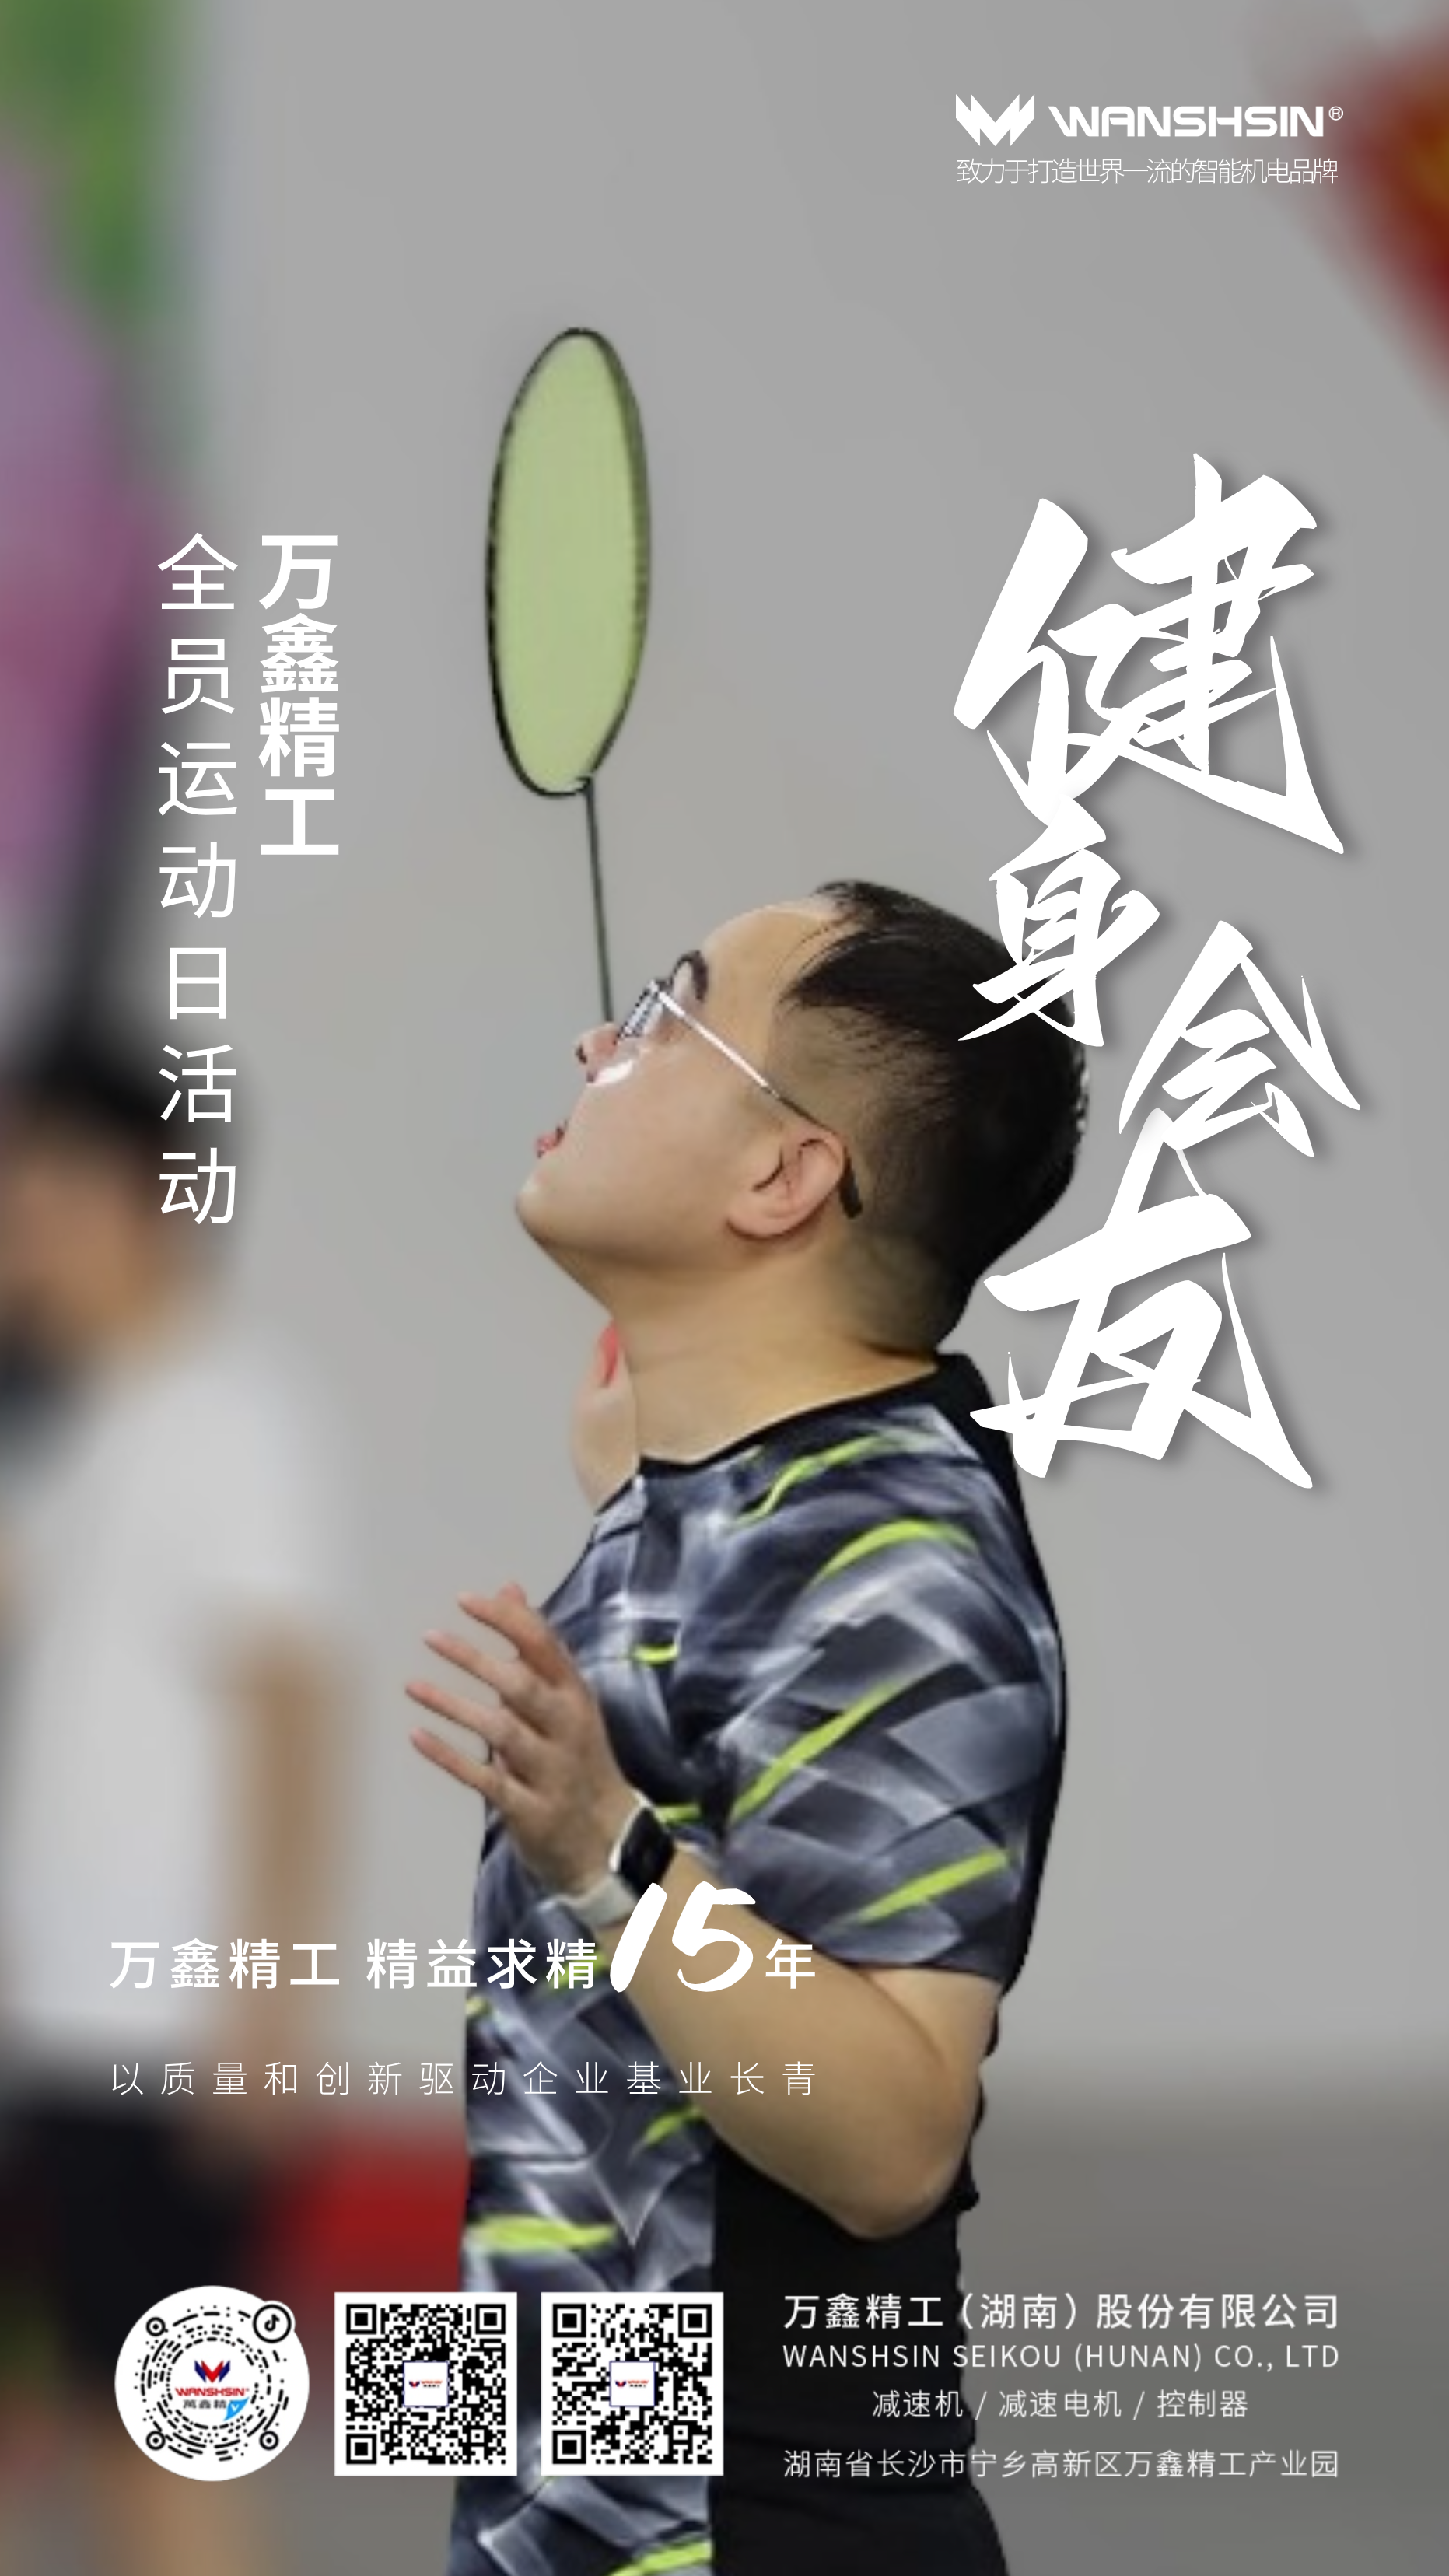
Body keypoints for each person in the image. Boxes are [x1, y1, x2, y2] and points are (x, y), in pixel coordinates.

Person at [408, 880, 1085, 2576]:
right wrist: (646, 1518)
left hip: (756, 2529)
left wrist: (609, 1859)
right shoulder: (738, 1508)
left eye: (666, 1015)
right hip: (585, 2513)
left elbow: (893, 2136)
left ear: (785, 1177)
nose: (595, 1041)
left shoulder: (896, 1563)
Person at [0, 1035, 341, 2576]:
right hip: (51, 2026)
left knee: (171, 2441)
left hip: (158, 2034)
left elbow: (287, 1717)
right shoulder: (75, 1437)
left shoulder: (230, 1420)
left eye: (39, 1192)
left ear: (139, 1198)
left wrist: (264, 2009)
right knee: (78, 2422)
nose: (19, 1230)